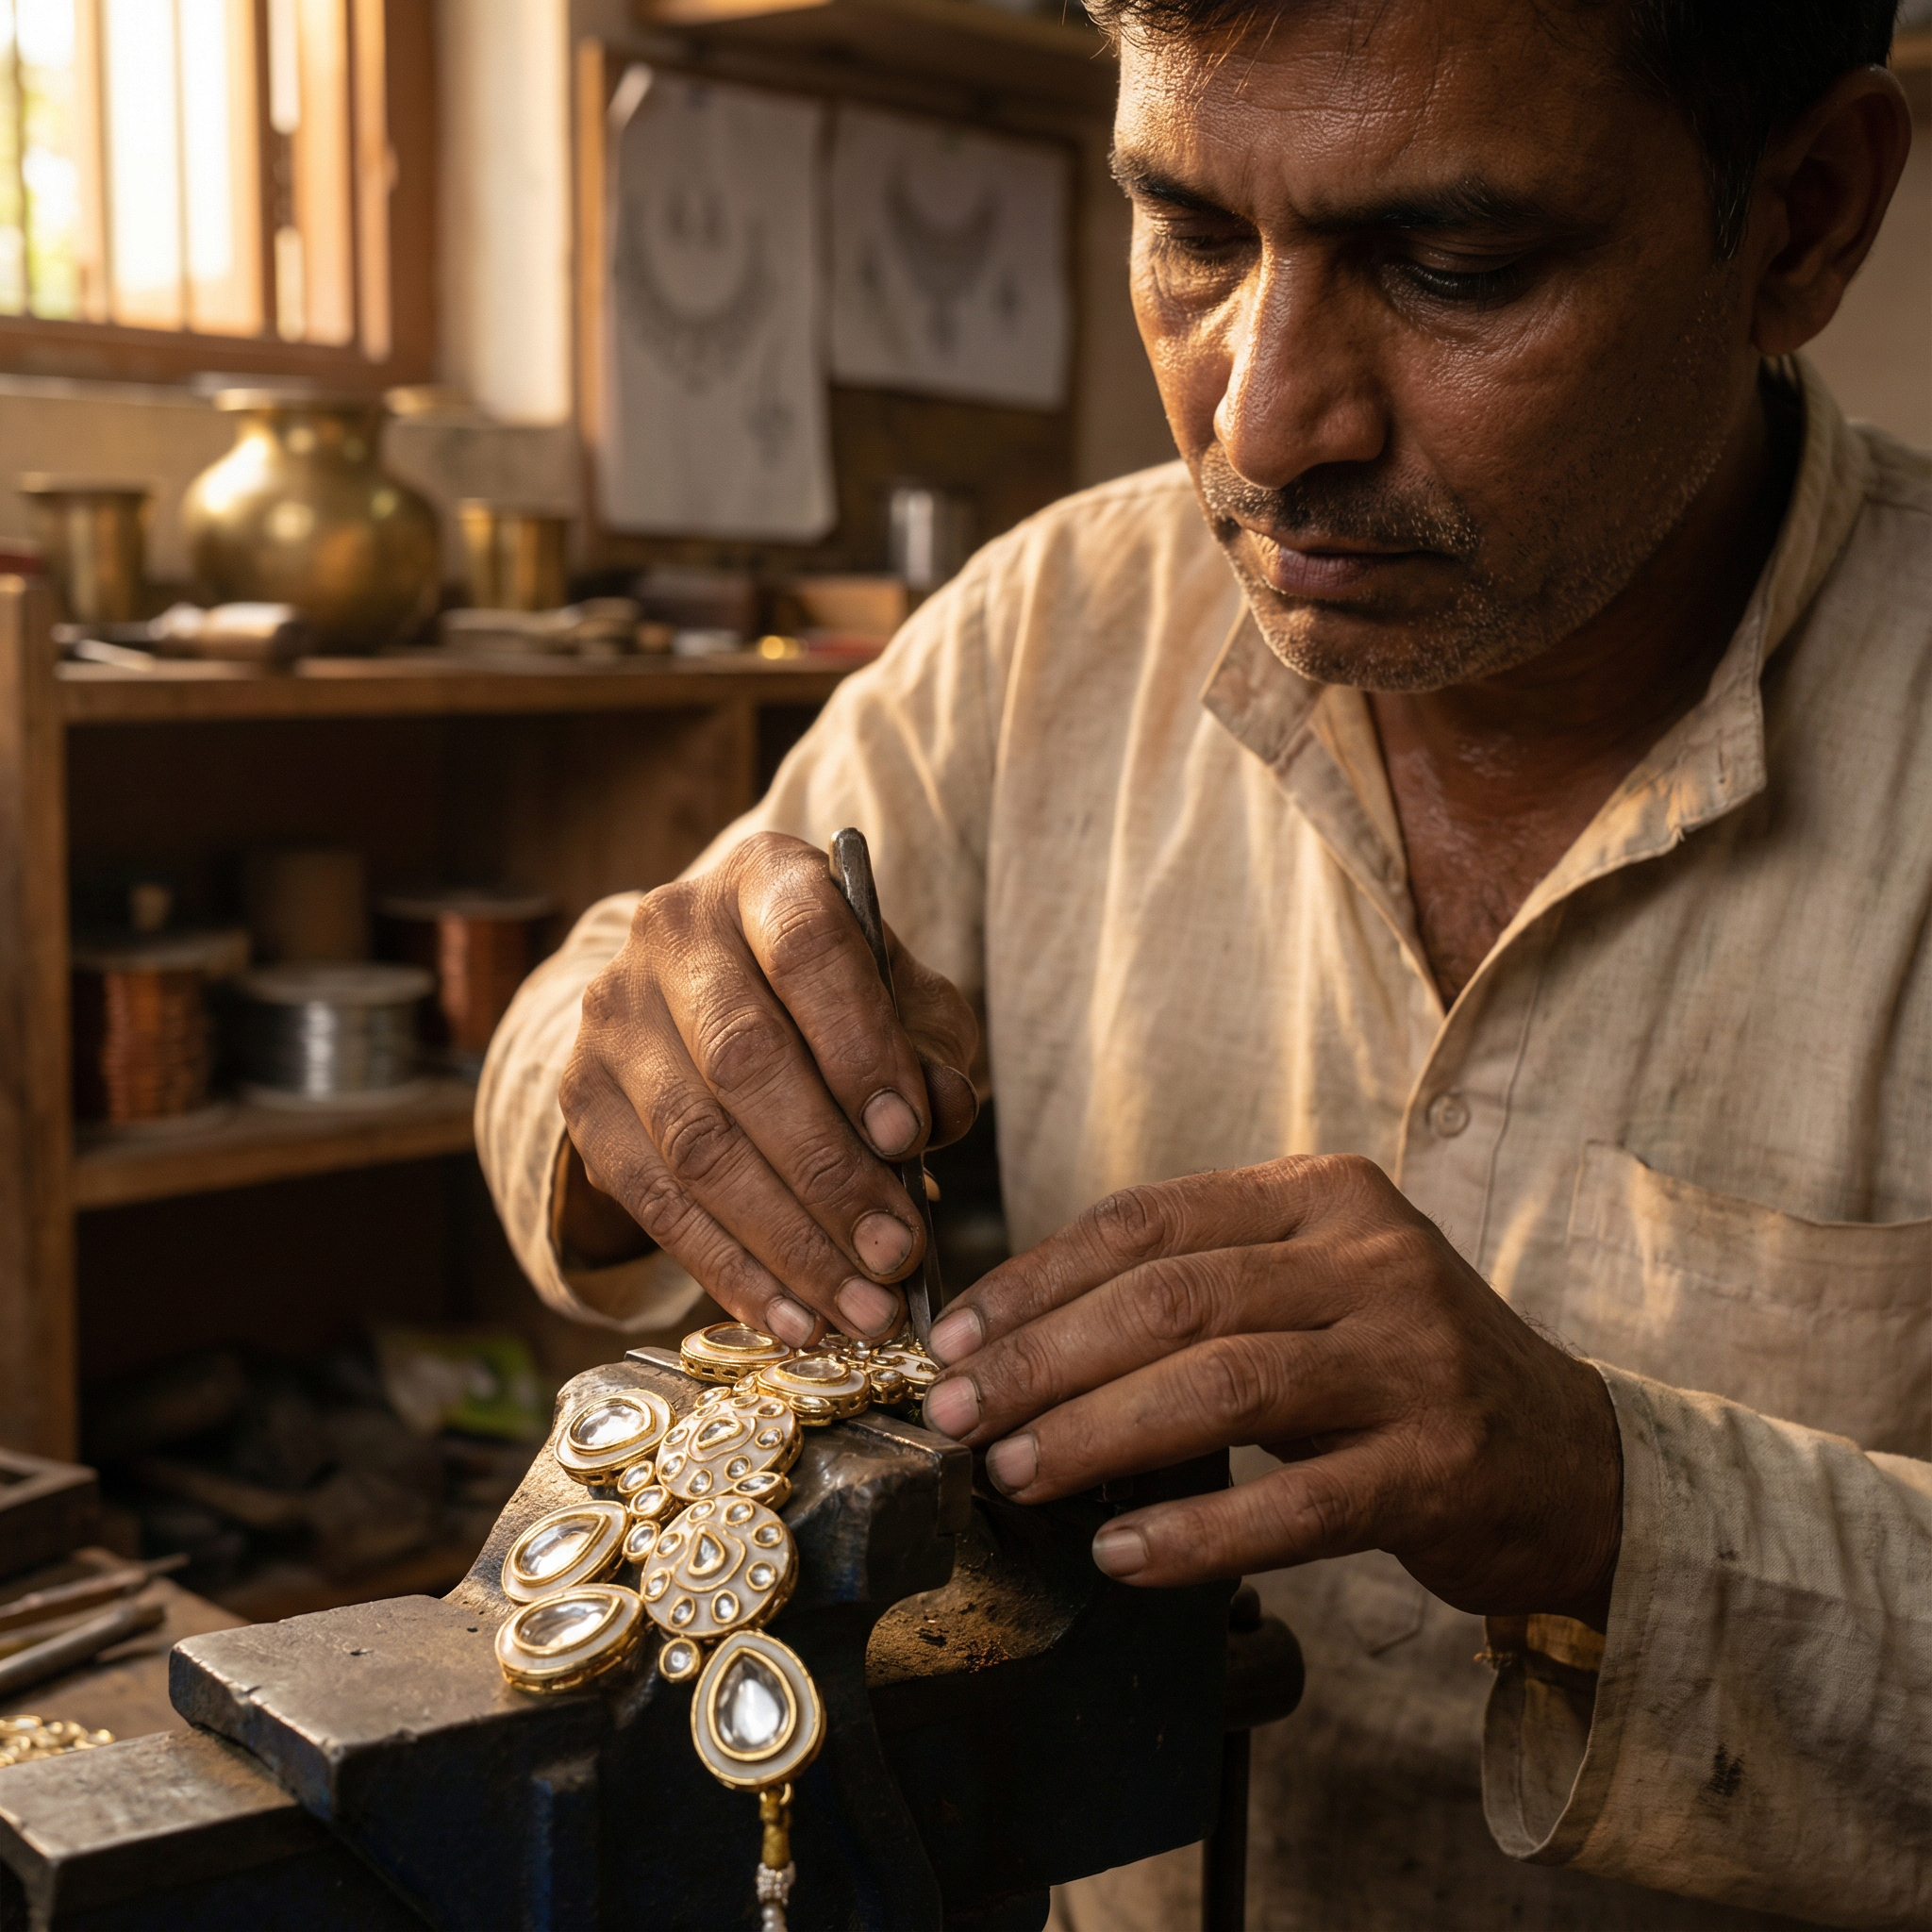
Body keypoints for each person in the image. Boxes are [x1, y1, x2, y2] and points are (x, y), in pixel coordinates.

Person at [477, 1, 1930, 1923]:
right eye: (1191, 235)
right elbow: (588, 1012)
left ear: (1804, 222)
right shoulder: (1057, 625)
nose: (1260, 422)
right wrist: (642, 1062)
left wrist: (1604, 1499)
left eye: (1451, 266)